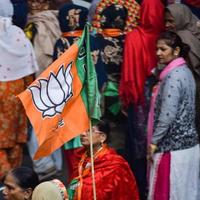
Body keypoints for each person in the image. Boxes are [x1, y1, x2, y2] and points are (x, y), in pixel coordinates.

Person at [119, 0, 164, 199]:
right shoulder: (167, 38)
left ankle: (140, 187)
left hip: (138, 99)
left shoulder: (133, 37)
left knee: (138, 144)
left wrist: (126, 98)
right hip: (160, 98)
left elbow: (128, 74)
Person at [148, 31, 200, 200]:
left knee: (170, 193)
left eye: (163, 49)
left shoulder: (173, 77)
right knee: (187, 191)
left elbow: (167, 115)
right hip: (189, 146)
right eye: (157, 49)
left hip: (173, 148)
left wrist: (154, 143)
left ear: (176, 51)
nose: (158, 53)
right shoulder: (186, 71)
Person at [0, 0, 38, 179]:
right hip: (16, 94)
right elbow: (29, 70)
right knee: (15, 142)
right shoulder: (17, 34)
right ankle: (13, 182)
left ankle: (6, 181)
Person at [67, 120, 139, 200]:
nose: (83, 134)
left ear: (102, 137)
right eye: (83, 130)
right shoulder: (79, 158)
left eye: (90, 130)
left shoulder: (115, 165)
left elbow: (124, 195)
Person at [165, 3, 200, 141]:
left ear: (181, 18)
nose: (167, 25)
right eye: (165, 21)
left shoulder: (181, 37)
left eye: (171, 21)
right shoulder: (194, 32)